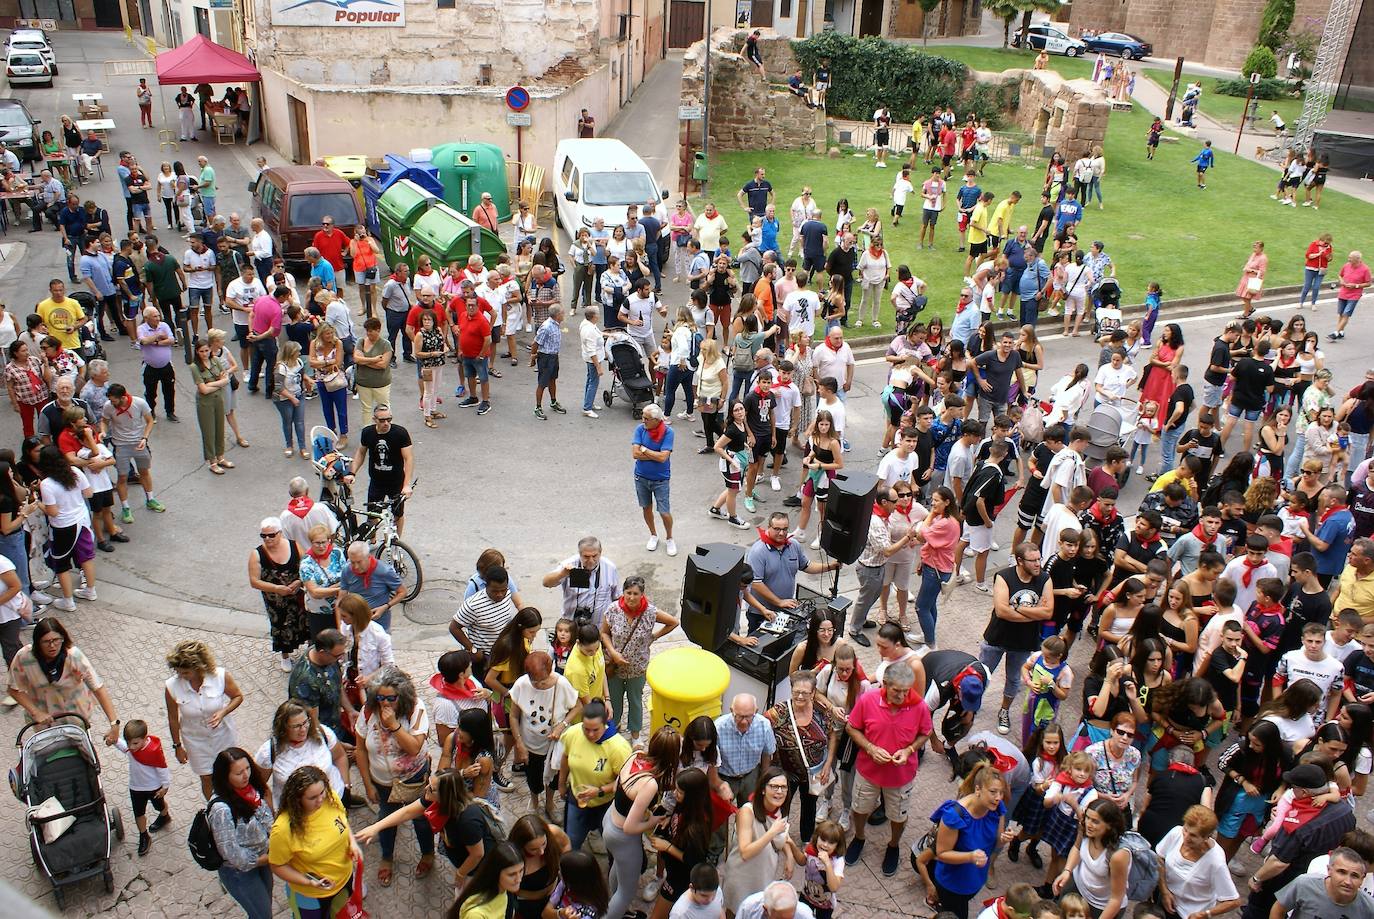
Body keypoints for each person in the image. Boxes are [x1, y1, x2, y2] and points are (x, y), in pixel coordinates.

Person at [844, 660, 932, 875]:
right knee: (860, 808)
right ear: (884, 684)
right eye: (896, 691)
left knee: (898, 815)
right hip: (868, 772)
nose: (902, 697)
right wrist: (870, 748)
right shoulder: (867, 700)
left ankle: (893, 845)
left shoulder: (919, 705)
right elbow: (852, 727)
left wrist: (910, 750)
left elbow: (926, 732)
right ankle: (860, 836)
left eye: (905, 691)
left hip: (901, 775)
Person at [354, 667, 433, 886]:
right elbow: (360, 749)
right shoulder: (369, 711)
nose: (385, 703)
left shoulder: (415, 709)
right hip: (382, 783)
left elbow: (415, 748)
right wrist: (368, 784)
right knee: (386, 820)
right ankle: (387, 857)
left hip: (413, 779)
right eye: (381, 697)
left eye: (391, 698)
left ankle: (427, 853)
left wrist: (394, 726)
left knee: (420, 818)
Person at [605, 727, 681, 919]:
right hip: (623, 835)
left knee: (618, 869)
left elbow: (616, 787)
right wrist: (654, 820)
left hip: (609, 819)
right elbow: (630, 827)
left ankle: (612, 907)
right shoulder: (650, 784)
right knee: (626, 893)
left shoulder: (636, 755)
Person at [268, 765, 361, 919]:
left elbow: (342, 822)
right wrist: (309, 882)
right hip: (311, 895)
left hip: (344, 880)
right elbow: (277, 865)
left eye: (322, 792)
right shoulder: (283, 829)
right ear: (297, 799)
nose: (320, 800)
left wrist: (352, 843)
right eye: (312, 798)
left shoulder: (330, 798)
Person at [7, 617, 120, 743]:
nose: (52, 646)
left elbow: (98, 688)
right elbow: (14, 689)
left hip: (75, 718)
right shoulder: (24, 657)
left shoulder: (74, 656)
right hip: (44, 721)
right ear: (37, 642)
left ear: (63, 639)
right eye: (46, 642)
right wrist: (36, 712)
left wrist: (114, 724)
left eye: (56, 640)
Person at [929, 762, 1014, 919]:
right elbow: (942, 853)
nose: (998, 798)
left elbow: (997, 842)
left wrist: (1003, 839)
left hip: (975, 877)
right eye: (993, 792)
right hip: (953, 883)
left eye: (1001, 793)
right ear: (977, 790)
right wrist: (970, 856)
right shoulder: (955, 815)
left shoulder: (996, 807)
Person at [601, 575, 678, 744]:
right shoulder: (613, 609)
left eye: (636, 593)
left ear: (642, 594)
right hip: (614, 667)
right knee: (614, 700)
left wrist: (654, 637)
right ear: (623, 592)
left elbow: (673, 622)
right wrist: (613, 653)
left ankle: (635, 735)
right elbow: (604, 633)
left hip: (638, 667)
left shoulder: (650, 612)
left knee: (635, 701)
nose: (631, 597)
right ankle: (614, 728)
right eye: (628, 592)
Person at [163, 639, 241, 800]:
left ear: (198, 667)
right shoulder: (172, 686)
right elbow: (173, 718)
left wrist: (223, 712)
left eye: (185, 672)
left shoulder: (220, 676)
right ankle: (214, 807)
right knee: (206, 778)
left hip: (223, 736)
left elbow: (238, 696)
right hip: (195, 741)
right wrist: (177, 746)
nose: (181, 676)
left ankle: (234, 803)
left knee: (229, 772)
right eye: (178, 672)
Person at [722, 766, 804, 915]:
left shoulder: (781, 810)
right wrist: (772, 832)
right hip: (742, 877)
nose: (779, 791)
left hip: (764, 875)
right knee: (735, 912)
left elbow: (782, 836)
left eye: (783, 787)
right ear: (763, 789)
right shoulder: (747, 812)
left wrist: (790, 856)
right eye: (774, 786)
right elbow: (745, 852)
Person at [208, 747, 276, 919]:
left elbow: (267, 819)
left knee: (264, 907)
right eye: (239, 773)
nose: (246, 775)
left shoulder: (249, 789)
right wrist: (263, 859)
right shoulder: (221, 810)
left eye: (247, 768)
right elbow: (230, 852)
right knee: (262, 914)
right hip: (240, 871)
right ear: (225, 776)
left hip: (264, 859)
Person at [248, 517, 306, 671]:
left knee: (303, 622)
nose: (267, 539)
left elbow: (307, 568)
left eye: (271, 535)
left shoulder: (294, 546)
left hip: (297, 596)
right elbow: (254, 581)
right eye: (264, 536)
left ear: (280, 533)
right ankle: (285, 656)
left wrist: (299, 581)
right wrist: (276, 589)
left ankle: (307, 651)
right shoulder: (257, 554)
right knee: (280, 626)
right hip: (275, 601)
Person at [542, 536, 622, 626]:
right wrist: (562, 574)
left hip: (598, 628)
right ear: (579, 554)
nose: (591, 560)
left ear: (600, 552)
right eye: (586, 557)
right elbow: (546, 583)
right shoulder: (570, 565)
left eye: (594, 556)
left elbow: (617, 598)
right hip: (571, 626)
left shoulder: (610, 568)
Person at [633, 403, 677, 555]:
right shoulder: (640, 429)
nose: (643, 421)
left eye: (646, 418)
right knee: (646, 508)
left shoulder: (668, 432)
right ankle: (653, 535)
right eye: (643, 417)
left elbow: (663, 457)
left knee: (664, 512)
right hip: (641, 477)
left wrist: (644, 449)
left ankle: (670, 538)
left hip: (661, 480)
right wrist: (653, 453)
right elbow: (635, 454)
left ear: (657, 420)